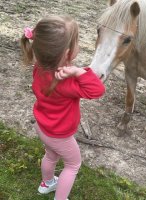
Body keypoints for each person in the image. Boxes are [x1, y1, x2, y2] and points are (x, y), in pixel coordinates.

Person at [20, 15, 105, 200]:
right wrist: (80, 72)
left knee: (51, 155)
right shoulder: (67, 81)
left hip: (43, 127)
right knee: (73, 164)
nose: (79, 45)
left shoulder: (39, 67)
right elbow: (97, 90)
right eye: (77, 42)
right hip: (59, 134)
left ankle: (47, 183)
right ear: (67, 53)